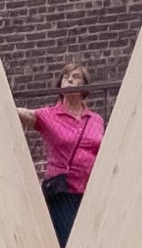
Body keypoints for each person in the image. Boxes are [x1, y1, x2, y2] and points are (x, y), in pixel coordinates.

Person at [26, 68, 104, 237]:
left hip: (90, 190)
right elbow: (26, 115)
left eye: (75, 77)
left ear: (84, 86)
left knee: (89, 238)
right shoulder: (49, 115)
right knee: (68, 239)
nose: (69, 80)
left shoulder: (96, 120)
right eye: (65, 77)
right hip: (63, 191)